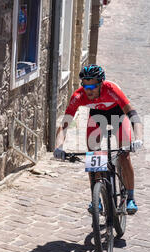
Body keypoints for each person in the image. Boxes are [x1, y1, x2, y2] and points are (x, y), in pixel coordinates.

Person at [54, 64, 143, 214]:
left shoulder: (111, 89)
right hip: (96, 116)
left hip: (117, 115)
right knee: (93, 157)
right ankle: (96, 200)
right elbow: (64, 125)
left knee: (124, 155)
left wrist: (138, 138)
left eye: (93, 86)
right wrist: (59, 146)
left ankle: (130, 198)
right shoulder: (78, 96)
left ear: (101, 83)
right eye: (85, 86)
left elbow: (132, 113)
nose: (89, 91)